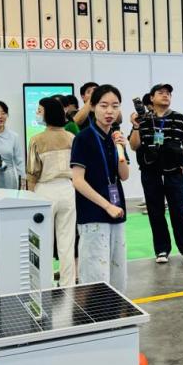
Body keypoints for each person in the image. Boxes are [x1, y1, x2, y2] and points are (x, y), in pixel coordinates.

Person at [71, 85, 130, 292]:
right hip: (94, 215)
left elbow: (124, 175)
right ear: (93, 107)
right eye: (104, 106)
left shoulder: (116, 137)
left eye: (115, 106)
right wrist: (106, 206)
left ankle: (117, 311)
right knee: (95, 275)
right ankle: (96, 313)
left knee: (117, 273)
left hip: (117, 212)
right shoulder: (83, 138)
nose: (109, 111)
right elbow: (78, 181)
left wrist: (122, 149)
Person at [129, 83, 183, 264]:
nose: (165, 95)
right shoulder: (143, 120)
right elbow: (134, 145)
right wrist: (135, 126)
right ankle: (162, 250)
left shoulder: (179, 118)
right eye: (161, 93)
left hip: (175, 172)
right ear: (151, 98)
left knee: (179, 211)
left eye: (168, 93)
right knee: (155, 212)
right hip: (151, 172)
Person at [26, 97, 78, 285]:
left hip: (44, 190)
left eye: (39, 110)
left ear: (47, 113)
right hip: (67, 189)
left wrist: (30, 196)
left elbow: (32, 172)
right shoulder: (71, 137)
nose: (37, 114)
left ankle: (44, 283)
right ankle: (68, 283)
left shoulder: (36, 140)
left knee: (42, 240)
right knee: (67, 241)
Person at [0, 100, 26, 190]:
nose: (0, 116)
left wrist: (23, 182)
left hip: (9, 180)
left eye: (3, 113)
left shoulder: (14, 136)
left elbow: (19, 162)